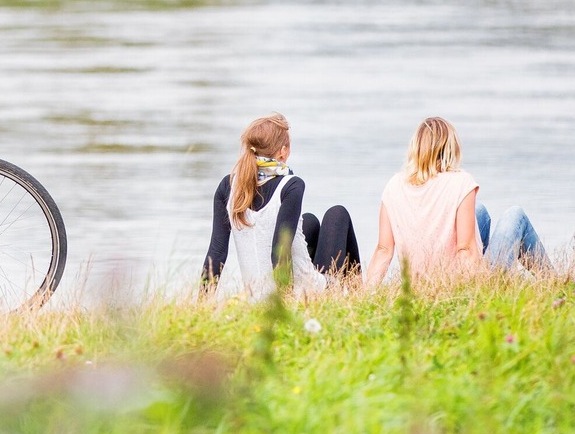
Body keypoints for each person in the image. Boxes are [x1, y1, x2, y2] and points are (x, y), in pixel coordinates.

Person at [362, 116, 547, 288]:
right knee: (515, 215)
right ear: (450, 148)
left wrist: (367, 294)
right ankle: (556, 282)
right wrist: (473, 291)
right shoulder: (461, 182)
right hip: (462, 284)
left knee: (479, 211)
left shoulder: (394, 185)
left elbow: (383, 249)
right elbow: (465, 248)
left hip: (418, 287)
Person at [201, 113, 360, 298]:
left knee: (309, 222)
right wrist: (283, 306)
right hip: (300, 294)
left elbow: (216, 252)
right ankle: (359, 292)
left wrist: (202, 301)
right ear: (283, 151)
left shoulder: (228, 186)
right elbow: (279, 252)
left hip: (256, 296)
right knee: (337, 215)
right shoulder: (291, 185)